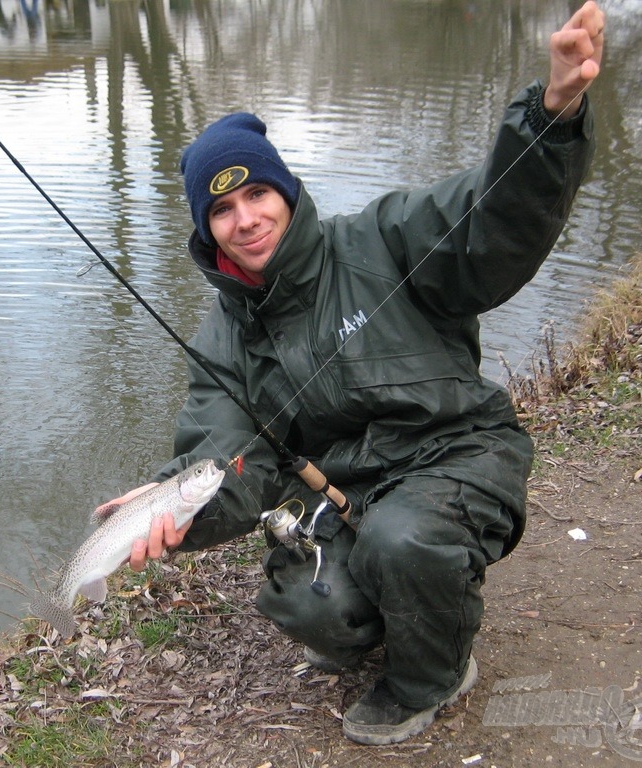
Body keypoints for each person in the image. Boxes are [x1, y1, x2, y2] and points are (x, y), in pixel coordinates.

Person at [113, 1, 605, 746]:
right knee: (310, 605)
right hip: (350, 494)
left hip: (462, 457)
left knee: (403, 542)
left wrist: (552, 115)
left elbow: (489, 218)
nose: (245, 219)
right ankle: (412, 600)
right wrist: (171, 515)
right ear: (205, 231)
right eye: (222, 209)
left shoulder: (385, 237)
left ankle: (431, 678)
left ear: (285, 193)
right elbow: (229, 461)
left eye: (256, 194)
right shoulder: (223, 341)